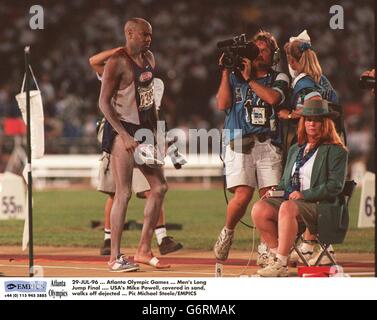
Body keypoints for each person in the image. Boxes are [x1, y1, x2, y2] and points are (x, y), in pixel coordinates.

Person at [89, 48, 183, 257]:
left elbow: (154, 115)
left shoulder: (152, 84)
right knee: (119, 193)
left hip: (142, 136)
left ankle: (156, 240)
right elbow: (94, 62)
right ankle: (111, 244)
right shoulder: (118, 70)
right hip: (119, 135)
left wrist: (165, 145)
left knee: (153, 189)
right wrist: (121, 50)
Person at [99, 17, 170, 271]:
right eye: (144, 34)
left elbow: (149, 102)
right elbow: (104, 103)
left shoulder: (149, 59)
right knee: (124, 192)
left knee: (160, 187)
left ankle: (143, 249)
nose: (148, 39)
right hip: (122, 131)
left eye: (150, 34)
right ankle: (114, 257)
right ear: (129, 33)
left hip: (144, 131)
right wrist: (123, 134)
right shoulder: (117, 61)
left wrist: (158, 135)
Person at [213, 30, 289, 263]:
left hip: (267, 142)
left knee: (270, 197)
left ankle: (268, 246)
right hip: (239, 140)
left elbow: (273, 99)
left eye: (263, 50)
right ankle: (228, 232)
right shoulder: (236, 75)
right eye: (255, 49)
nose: (258, 54)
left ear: (273, 55)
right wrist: (226, 71)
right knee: (243, 195)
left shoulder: (279, 77)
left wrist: (249, 80)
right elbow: (222, 103)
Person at [251, 99, 348, 277]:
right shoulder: (296, 149)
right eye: (308, 119)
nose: (312, 123)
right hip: (293, 205)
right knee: (259, 209)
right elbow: (285, 183)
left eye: (317, 120)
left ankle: (280, 263)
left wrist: (304, 195)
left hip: (320, 208)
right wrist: (275, 191)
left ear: (325, 123)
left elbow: (335, 186)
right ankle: (277, 256)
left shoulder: (336, 151)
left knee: (288, 207)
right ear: (303, 122)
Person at [279, 34, 341, 265]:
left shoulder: (304, 82)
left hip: (319, 141)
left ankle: (321, 247)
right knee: (319, 191)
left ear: (293, 61)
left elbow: (314, 104)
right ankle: (312, 246)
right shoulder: (321, 78)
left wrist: (290, 114)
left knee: (309, 190)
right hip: (332, 138)